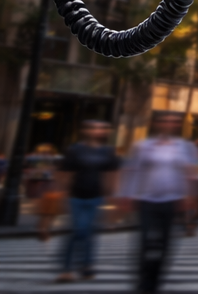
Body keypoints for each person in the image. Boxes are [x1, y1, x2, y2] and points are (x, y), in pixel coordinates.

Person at [119, 111, 198, 294]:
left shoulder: (184, 147)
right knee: (147, 242)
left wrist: (191, 199)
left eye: (174, 121)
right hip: (147, 200)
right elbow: (133, 171)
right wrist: (126, 195)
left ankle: (155, 283)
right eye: (164, 120)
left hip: (173, 201)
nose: (169, 124)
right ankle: (143, 282)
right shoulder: (143, 146)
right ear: (155, 123)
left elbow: (191, 173)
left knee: (165, 245)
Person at [54, 120, 120, 283]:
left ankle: (86, 265)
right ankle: (68, 268)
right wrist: (62, 194)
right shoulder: (75, 150)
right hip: (76, 195)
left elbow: (112, 174)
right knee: (79, 230)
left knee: (89, 231)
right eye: (93, 128)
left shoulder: (108, 151)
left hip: (96, 196)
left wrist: (113, 200)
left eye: (102, 128)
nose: (98, 131)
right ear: (85, 130)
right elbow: (65, 173)